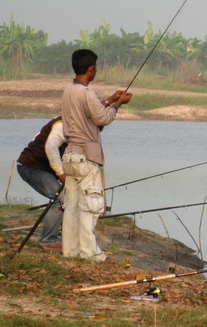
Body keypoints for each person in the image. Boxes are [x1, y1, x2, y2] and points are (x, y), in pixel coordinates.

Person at [61, 48, 132, 261]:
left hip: (70, 155)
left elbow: (91, 112)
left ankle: (71, 251)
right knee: (90, 206)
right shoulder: (86, 93)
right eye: (96, 68)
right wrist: (119, 104)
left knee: (72, 206)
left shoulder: (69, 90)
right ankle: (90, 253)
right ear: (91, 69)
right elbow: (102, 119)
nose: (96, 71)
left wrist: (110, 99)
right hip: (86, 157)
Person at [16, 116, 66, 250]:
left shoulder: (72, 121)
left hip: (43, 168)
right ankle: (47, 240)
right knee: (59, 199)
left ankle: (58, 234)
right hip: (31, 167)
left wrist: (114, 101)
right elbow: (51, 147)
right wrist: (60, 173)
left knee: (67, 198)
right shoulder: (62, 125)